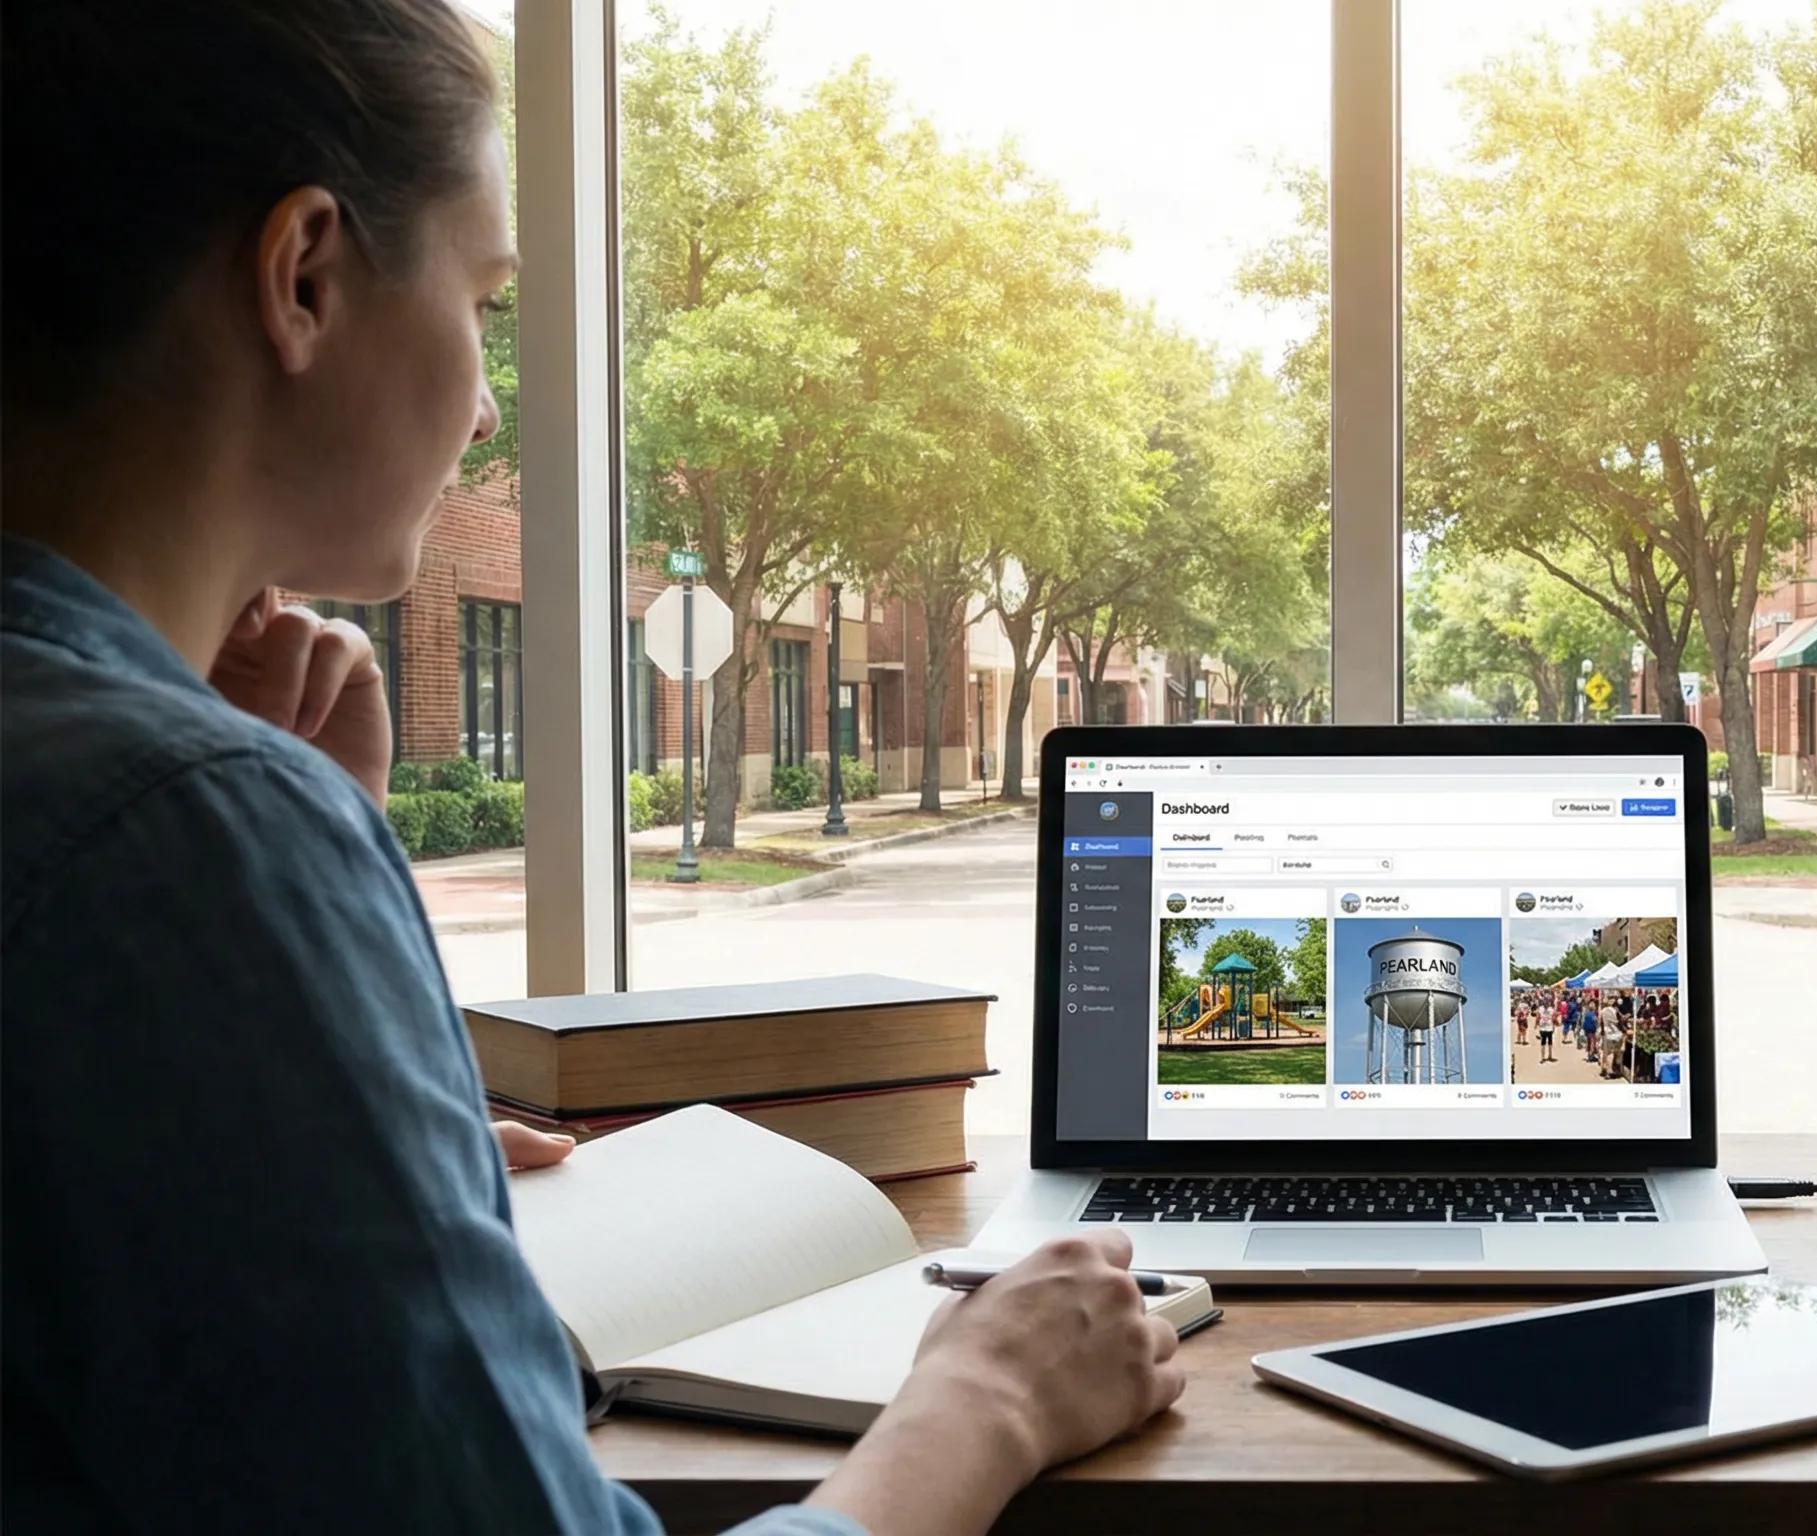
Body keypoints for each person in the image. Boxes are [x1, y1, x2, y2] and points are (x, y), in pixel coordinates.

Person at [0, 4, 1179, 1532]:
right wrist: (984, 1402)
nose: (489, 402)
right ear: (303, 275)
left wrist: (337, 1068)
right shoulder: (188, 835)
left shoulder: (153, 807)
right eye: (486, 303)